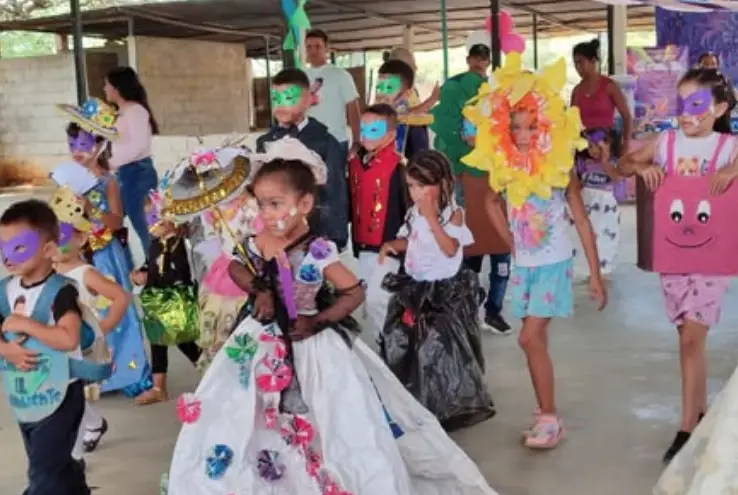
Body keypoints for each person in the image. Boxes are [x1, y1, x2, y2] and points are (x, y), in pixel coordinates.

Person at [167, 138, 500, 495]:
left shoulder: (318, 250)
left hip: (312, 343)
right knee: (249, 411)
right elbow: (234, 266)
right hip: (260, 339)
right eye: (261, 204)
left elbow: (353, 292)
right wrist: (258, 289)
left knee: (327, 414)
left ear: (305, 204)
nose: (266, 213)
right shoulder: (259, 240)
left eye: (276, 204)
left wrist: (318, 320)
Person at [464, 53, 608, 449]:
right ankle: (544, 408)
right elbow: (492, 203)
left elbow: (582, 222)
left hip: (553, 265)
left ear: (545, 125)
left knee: (528, 338)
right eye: (516, 128)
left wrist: (594, 274)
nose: (524, 135)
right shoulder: (507, 168)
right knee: (534, 342)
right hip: (525, 266)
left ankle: (549, 417)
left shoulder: (560, 170)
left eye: (531, 126)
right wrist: (509, 242)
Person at [620, 68, 738, 465]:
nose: (686, 113)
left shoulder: (727, 147)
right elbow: (623, 164)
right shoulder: (666, 142)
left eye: (696, 104)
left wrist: (731, 170)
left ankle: (687, 427)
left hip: (712, 258)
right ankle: (699, 410)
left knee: (692, 337)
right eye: (681, 102)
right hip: (674, 255)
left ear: (719, 108)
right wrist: (640, 168)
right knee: (686, 336)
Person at [378, 150, 495, 431]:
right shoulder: (414, 213)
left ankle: (448, 405)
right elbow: (415, 241)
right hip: (416, 287)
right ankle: (417, 401)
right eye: (412, 186)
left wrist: (432, 218)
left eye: (423, 186)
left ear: (443, 184)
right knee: (410, 346)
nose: (417, 193)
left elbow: (449, 247)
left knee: (439, 350)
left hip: (444, 294)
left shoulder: (453, 214)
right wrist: (394, 244)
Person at [60, 100, 150, 398]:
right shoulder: (68, 181)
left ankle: (125, 372)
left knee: (115, 311)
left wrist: (91, 210)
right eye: (73, 142)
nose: (77, 149)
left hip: (104, 255)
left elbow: (115, 220)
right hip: (76, 256)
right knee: (81, 311)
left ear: (100, 145)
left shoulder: (109, 181)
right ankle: (90, 372)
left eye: (84, 143)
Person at [0, 199, 90, 495]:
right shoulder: (5, 290)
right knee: (54, 464)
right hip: (25, 393)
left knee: (43, 472)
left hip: (61, 393)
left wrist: (27, 325)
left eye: (19, 247)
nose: (7, 256)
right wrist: (6, 349)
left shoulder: (60, 291)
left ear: (49, 250)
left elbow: (68, 338)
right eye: (2, 246)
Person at [432, 32, 512, 336]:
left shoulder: (498, 90)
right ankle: (470, 308)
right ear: (469, 60)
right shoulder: (455, 88)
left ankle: (492, 310)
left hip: (495, 175)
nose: (479, 62)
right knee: (471, 243)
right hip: (466, 175)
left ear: (488, 62)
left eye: (484, 58)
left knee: (500, 248)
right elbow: (445, 130)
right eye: (476, 57)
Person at [49, 187, 128, 466]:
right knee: (66, 395)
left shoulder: (86, 274)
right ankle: (94, 424)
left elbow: (121, 296)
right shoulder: (49, 272)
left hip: (82, 346)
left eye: (61, 237)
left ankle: (75, 456)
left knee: (72, 398)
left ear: (81, 238)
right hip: (58, 343)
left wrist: (103, 327)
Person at [257, 68, 349, 250]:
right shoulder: (265, 143)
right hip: (275, 238)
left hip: (313, 237)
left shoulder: (325, 142)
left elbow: (335, 193)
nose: (281, 105)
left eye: (289, 98)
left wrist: (332, 240)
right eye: (276, 99)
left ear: (308, 100)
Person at [130, 193, 200, 405]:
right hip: (156, 300)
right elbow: (150, 263)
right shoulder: (156, 242)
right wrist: (140, 272)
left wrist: (149, 276)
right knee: (157, 341)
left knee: (183, 341)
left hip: (173, 300)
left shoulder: (178, 246)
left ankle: (211, 368)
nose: (150, 224)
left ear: (170, 220)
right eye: (148, 219)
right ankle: (159, 387)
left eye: (154, 218)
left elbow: (179, 275)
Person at [348, 103, 408, 342]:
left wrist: (402, 244)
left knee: (379, 300)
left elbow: (408, 209)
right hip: (364, 246)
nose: (365, 135)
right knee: (371, 303)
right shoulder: (355, 164)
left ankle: (395, 352)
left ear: (391, 134)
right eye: (363, 128)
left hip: (388, 247)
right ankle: (385, 351)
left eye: (374, 130)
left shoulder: (399, 167)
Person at [104, 66, 160, 254]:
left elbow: (137, 147)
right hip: (126, 174)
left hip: (136, 174)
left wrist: (111, 162)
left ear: (117, 88)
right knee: (114, 221)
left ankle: (155, 271)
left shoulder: (135, 111)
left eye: (107, 85)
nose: (105, 89)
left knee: (145, 227)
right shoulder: (122, 113)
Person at [568, 128, 622, 281]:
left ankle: (602, 270)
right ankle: (585, 268)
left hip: (606, 211)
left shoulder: (613, 164)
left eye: (599, 147)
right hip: (586, 205)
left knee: (604, 241)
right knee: (583, 237)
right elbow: (577, 186)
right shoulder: (583, 163)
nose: (594, 151)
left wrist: (605, 160)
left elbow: (616, 178)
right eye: (591, 147)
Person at [304, 29, 361, 159]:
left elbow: (353, 108)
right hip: (308, 142)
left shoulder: (341, 75)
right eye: (309, 47)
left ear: (326, 48)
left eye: (318, 46)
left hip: (335, 140)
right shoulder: (302, 77)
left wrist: (357, 140)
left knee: (335, 179)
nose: (313, 51)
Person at [571, 38, 633, 154]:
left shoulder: (609, 86)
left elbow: (627, 117)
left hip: (607, 146)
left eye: (581, 62)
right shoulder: (576, 91)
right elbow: (572, 123)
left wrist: (626, 144)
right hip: (584, 149)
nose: (577, 67)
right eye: (575, 63)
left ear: (593, 61)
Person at [375, 59, 432, 159]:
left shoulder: (414, 129)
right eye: (379, 87)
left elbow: (419, 166)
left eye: (389, 87)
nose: (381, 94)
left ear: (406, 94)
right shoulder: (373, 120)